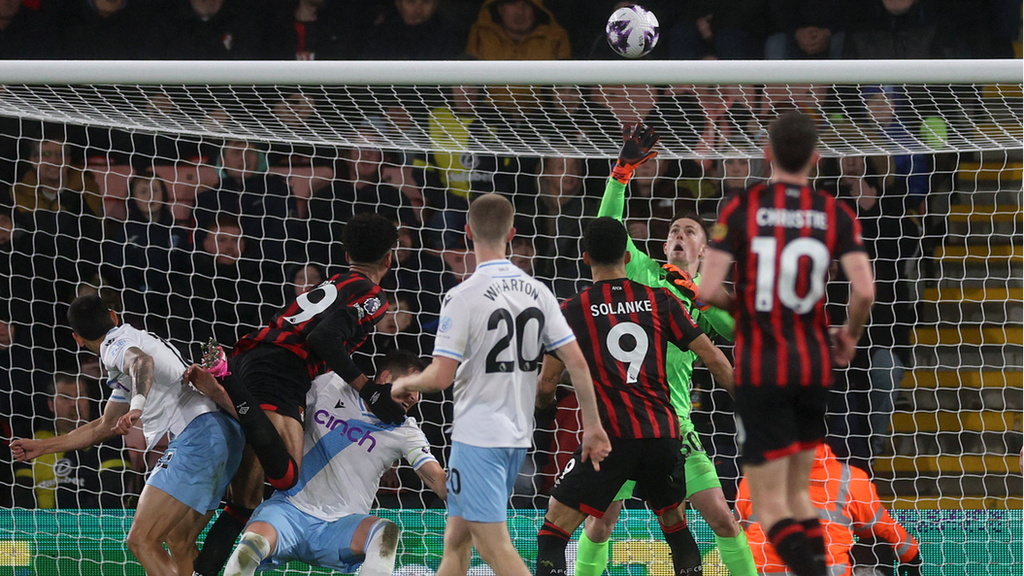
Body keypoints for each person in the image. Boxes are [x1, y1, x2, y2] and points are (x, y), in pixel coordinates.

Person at [389, 193, 610, 576]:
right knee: (455, 543)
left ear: (467, 232)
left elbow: (440, 377)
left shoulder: (463, 295)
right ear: (512, 233)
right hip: (515, 437)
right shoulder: (538, 292)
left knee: (496, 550)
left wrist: (403, 383)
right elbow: (576, 360)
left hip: (478, 440)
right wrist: (592, 426)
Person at [696, 111, 876, 576]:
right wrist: (849, 335)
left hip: (762, 363)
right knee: (802, 497)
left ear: (766, 154)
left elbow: (706, 289)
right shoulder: (835, 211)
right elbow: (866, 290)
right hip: (814, 362)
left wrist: (752, 312)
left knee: (770, 506)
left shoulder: (742, 208)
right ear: (816, 159)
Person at [573, 123, 758, 576]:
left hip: (675, 421)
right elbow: (608, 229)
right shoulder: (644, 274)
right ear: (662, 244)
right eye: (674, 229)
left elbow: (741, 333)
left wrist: (695, 292)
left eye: (690, 231)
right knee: (602, 522)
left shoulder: (704, 292)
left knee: (720, 515)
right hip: (620, 415)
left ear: (704, 249)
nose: (679, 235)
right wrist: (620, 175)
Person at [188, 213, 406, 576]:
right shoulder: (372, 295)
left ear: (346, 251)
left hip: (257, 357)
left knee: (245, 501)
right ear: (389, 258)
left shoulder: (337, 281)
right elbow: (323, 338)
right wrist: (369, 390)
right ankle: (223, 380)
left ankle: (202, 573)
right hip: (282, 368)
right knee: (287, 477)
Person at [535, 216, 737, 576]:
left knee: (553, 532)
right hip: (662, 435)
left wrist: (544, 410)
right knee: (676, 528)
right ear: (627, 259)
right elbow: (716, 360)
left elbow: (547, 384)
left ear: (585, 258)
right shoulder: (661, 300)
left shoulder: (570, 311)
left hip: (610, 439)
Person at [11, 295, 245, 576]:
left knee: (141, 540)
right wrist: (43, 446)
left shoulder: (114, 345)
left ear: (77, 339)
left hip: (199, 436)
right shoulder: (128, 352)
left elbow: (142, 363)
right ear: (113, 315)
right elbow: (102, 426)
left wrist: (137, 406)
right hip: (225, 435)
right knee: (178, 540)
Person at [205, 349, 447, 576]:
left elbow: (436, 478)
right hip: (288, 511)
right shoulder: (330, 385)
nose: (416, 396)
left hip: (341, 526)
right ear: (386, 377)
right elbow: (277, 416)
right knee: (249, 547)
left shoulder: (405, 431)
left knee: (386, 532)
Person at [735, 443, 922, 576]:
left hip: (761, 572)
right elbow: (886, 529)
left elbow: (738, 527)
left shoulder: (754, 477)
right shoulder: (849, 478)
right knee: (877, 546)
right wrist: (913, 559)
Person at [12, 373, 128, 509]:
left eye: (80, 396)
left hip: (91, 524)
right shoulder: (33, 442)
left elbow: (113, 491)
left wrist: (80, 524)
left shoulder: (108, 439)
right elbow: (22, 496)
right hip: (40, 526)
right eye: (65, 397)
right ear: (51, 404)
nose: (74, 404)